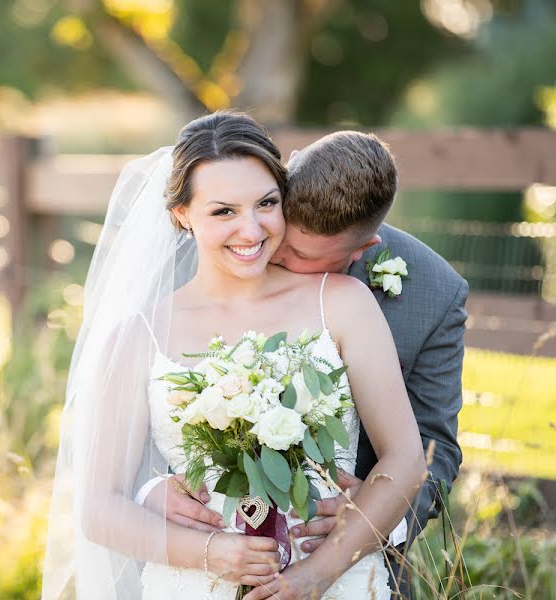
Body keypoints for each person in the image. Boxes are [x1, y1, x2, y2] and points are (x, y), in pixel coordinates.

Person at [42, 112, 426, 599]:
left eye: (266, 203)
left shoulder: (343, 302)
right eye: (223, 211)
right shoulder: (138, 337)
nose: (251, 230)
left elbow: (407, 459)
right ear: (182, 213)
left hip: (333, 580)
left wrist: (317, 575)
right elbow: (99, 508)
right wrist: (209, 554)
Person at [150, 130, 469, 599]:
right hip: (197, 550)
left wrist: (365, 521)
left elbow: (432, 451)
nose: (263, 249)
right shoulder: (207, 241)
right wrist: (148, 492)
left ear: (360, 250)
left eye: (299, 255)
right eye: (280, 222)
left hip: (346, 560)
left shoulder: (432, 293)